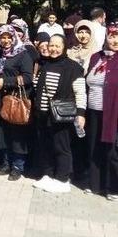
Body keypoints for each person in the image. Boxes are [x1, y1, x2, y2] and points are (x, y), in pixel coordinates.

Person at [84, 24, 118, 199]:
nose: (116, 41)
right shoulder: (96, 57)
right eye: (112, 36)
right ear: (106, 38)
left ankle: (114, 188)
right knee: (94, 147)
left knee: (113, 150)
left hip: (114, 112)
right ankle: (95, 184)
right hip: (93, 110)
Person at [31, 34, 86, 193]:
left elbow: (80, 93)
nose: (53, 49)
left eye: (57, 46)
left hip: (61, 117)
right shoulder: (46, 64)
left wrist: (81, 113)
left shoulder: (73, 67)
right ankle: (48, 174)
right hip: (43, 115)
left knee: (61, 146)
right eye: (51, 46)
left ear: (64, 47)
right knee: (45, 145)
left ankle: (62, 179)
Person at [0, 25, 34, 181]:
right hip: (0, 99)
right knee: (3, 132)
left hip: (16, 99)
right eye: (3, 37)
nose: (6, 40)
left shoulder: (23, 54)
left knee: (17, 134)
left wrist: (6, 82)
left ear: (15, 37)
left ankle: (18, 166)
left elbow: (28, 78)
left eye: (9, 37)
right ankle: (6, 163)